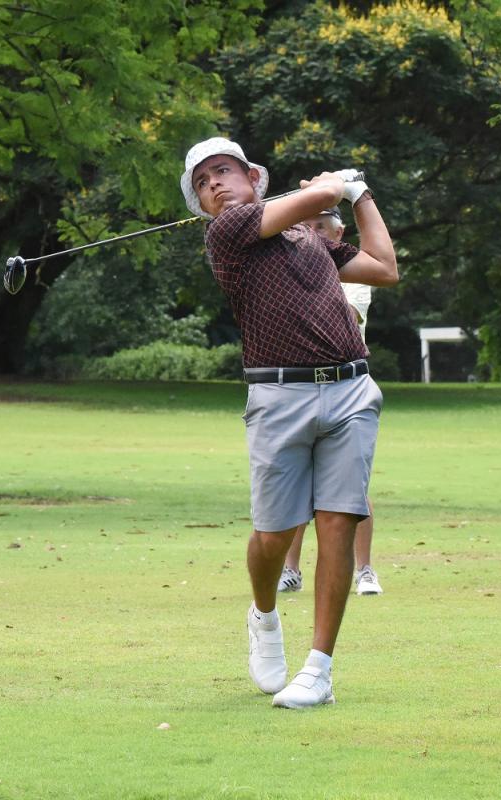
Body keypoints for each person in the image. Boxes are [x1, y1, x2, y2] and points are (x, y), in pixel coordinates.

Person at [181, 137, 398, 708]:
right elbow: (321, 194)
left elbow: (384, 267)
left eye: (223, 173)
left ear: (253, 176)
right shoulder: (226, 236)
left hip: (351, 388)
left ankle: (319, 670)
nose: (214, 186)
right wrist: (333, 185)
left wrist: (361, 195)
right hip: (279, 397)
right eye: (203, 184)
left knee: (338, 522)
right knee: (273, 535)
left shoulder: (310, 239)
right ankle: (264, 615)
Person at [279, 207, 382, 597]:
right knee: (296, 485)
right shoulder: (293, 269)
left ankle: (365, 570)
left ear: (338, 233)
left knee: (353, 488)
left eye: (321, 227)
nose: (313, 233)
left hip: (346, 386)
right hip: (299, 387)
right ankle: (291, 569)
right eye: (306, 226)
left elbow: (345, 316)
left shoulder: (354, 274)